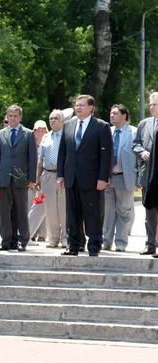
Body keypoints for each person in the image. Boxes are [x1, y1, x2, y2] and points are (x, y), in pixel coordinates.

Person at [57, 95, 112, 257]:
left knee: (93, 213)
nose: (78, 108)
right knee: (72, 213)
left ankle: (94, 245)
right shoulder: (67, 125)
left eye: (82, 105)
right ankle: (73, 244)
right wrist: (60, 175)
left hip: (92, 179)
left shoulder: (101, 127)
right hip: (71, 177)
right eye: (76, 105)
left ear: (91, 108)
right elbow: (62, 153)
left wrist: (103, 177)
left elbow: (106, 155)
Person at [0, 105, 37, 252]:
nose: (12, 118)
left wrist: (32, 178)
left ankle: (23, 240)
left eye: (15, 116)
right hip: (4, 177)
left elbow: (33, 157)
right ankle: (6, 240)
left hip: (21, 177)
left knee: (21, 209)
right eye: (10, 116)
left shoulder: (29, 134)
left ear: (20, 117)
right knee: (4, 211)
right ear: (7, 117)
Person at [102, 104, 137, 252]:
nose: (111, 115)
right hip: (107, 178)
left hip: (125, 177)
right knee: (107, 212)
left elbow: (139, 156)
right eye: (111, 113)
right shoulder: (107, 131)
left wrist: (139, 178)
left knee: (124, 211)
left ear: (124, 116)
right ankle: (106, 241)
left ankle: (121, 243)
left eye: (115, 113)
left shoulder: (134, 132)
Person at [36, 109, 71, 248]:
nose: (53, 121)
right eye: (51, 118)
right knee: (50, 207)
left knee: (63, 207)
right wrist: (37, 177)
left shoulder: (67, 136)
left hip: (63, 175)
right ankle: (53, 238)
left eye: (56, 118)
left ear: (63, 120)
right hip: (48, 174)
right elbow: (40, 158)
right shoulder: (46, 137)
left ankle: (65, 238)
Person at [133, 92, 158, 256]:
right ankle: (150, 243)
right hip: (148, 174)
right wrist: (141, 152)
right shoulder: (144, 124)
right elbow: (136, 144)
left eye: (155, 104)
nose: (151, 107)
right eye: (150, 104)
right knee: (149, 210)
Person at [28, 120, 49, 242]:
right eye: (37, 130)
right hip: (31, 178)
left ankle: (43, 234)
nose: (40, 132)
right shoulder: (31, 143)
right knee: (32, 205)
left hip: (44, 177)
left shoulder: (48, 142)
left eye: (42, 129)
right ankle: (32, 233)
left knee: (43, 205)